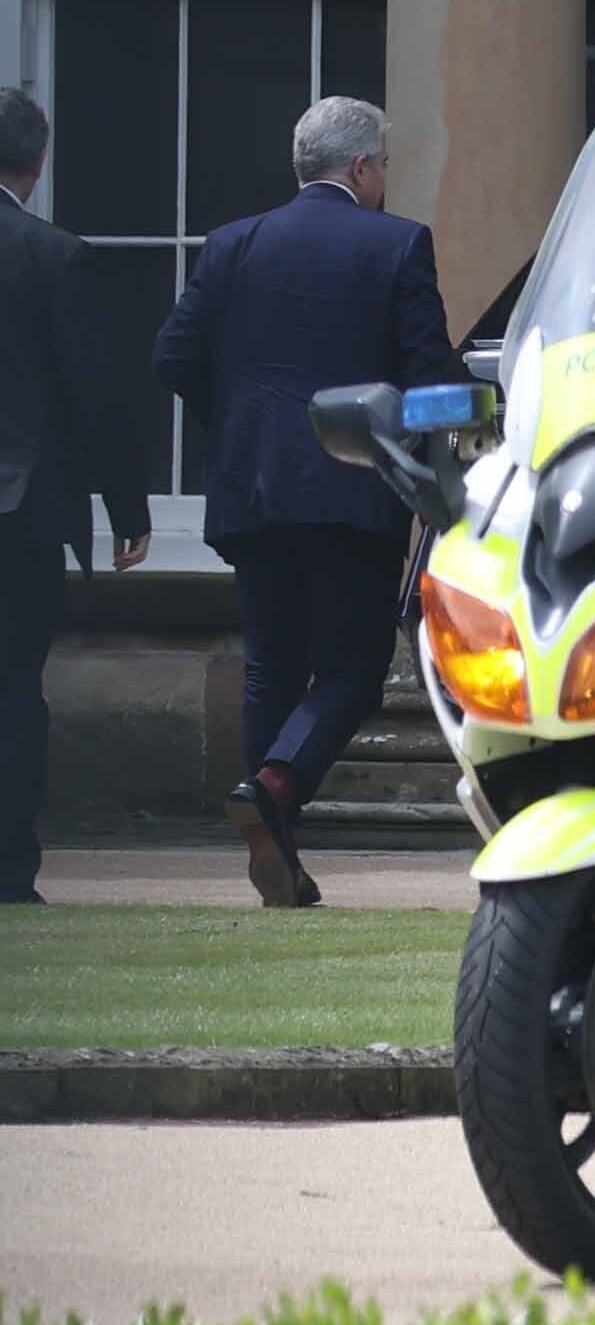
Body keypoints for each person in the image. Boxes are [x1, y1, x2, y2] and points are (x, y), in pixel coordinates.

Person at [155, 97, 462, 910]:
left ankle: (281, 864)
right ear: (361, 168)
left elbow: (174, 356)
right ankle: (277, 784)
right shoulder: (397, 243)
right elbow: (430, 376)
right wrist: (448, 444)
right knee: (356, 672)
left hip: (251, 486)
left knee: (272, 669)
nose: (386, 179)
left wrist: (241, 431)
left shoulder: (231, 245)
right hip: (353, 485)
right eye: (385, 165)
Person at [0, 89, 150, 903]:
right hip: (19, 514)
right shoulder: (53, 255)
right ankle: (7, 872)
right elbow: (95, 396)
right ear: (38, 161)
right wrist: (129, 508)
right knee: (15, 691)